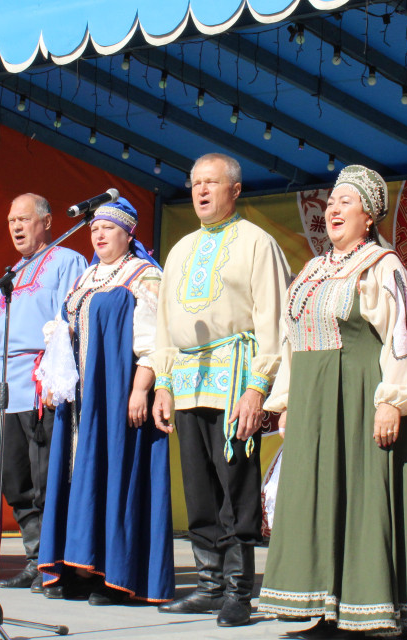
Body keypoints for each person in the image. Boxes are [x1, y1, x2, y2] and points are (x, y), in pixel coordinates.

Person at [260, 165, 407, 637]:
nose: (334, 209)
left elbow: (402, 336)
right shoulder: (314, 271)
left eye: (346, 203)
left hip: (360, 396)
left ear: (369, 217)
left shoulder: (382, 266)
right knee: (315, 498)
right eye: (332, 202)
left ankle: (369, 607)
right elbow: (291, 340)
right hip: (314, 402)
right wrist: (289, 401)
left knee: (360, 496)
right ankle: (320, 605)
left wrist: (391, 401)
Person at [152, 152, 291, 628]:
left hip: (234, 377)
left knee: (237, 484)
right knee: (199, 486)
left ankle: (238, 588)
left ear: (235, 190)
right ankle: (208, 584)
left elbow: (274, 321)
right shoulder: (180, 249)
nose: (201, 191)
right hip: (189, 381)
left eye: (212, 183)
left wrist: (258, 389)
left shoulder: (257, 243)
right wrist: (163, 383)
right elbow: (164, 326)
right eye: (194, 184)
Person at [37, 197, 173, 605]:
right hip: (80, 399)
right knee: (80, 475)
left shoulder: (143, 276)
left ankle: (115, 575)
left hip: (117, 393)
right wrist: (53, 376)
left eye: (108, 228)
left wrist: (140, 388)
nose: (98, 234)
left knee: (115, 472)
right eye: (94, 228)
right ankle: (79, 565)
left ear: (128, 233)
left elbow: (153, 340)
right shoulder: (88, 277)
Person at [0, 194, 87, 591]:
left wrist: (55, 376)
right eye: (10, 221)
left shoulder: (68, 261)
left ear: (48, 221)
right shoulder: (10, 275)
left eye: (24, 219)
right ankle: (33, 558)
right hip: (9, 389)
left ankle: (57, 565)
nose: (17, 227)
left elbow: (69, 322)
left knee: (47, 479)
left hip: (44, 386)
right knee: (14, 479)